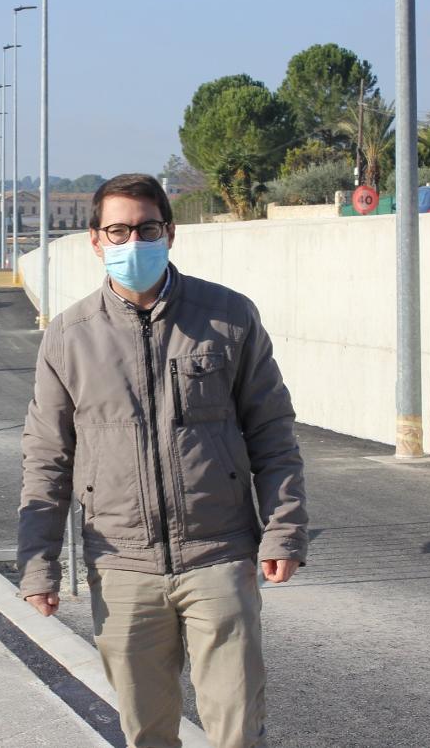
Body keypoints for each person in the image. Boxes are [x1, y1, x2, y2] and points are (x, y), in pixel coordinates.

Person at [17, 173, 308, 748]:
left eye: (146, 228)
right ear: (96, 241)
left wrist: (284, 530)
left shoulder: (228, 317)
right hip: (121, 564)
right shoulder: (68, 338)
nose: (133, 243)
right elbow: (47, 458)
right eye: (118, 231)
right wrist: (38, 564)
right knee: (147, 732)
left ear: (169, 233)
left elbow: (272, 432)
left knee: (237, 727)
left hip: (219, 555)